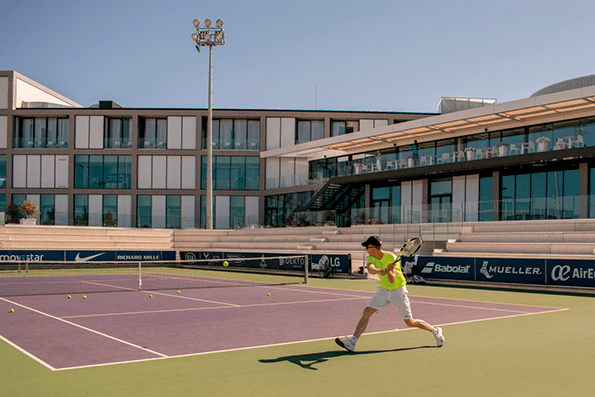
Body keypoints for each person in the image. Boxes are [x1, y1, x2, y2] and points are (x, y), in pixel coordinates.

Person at [335, 235, 444, 352]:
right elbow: (371, 269)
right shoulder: (371, 258)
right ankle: (352, 342)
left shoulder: (390, 257)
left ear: (375, 247)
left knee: (410, 322)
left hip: (398, 291)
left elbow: (392, 279)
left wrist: (389, 271)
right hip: (384, 290)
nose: (366, 249)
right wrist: (381, 270)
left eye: (367, 247)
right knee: (366, 312)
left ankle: (435, 331)